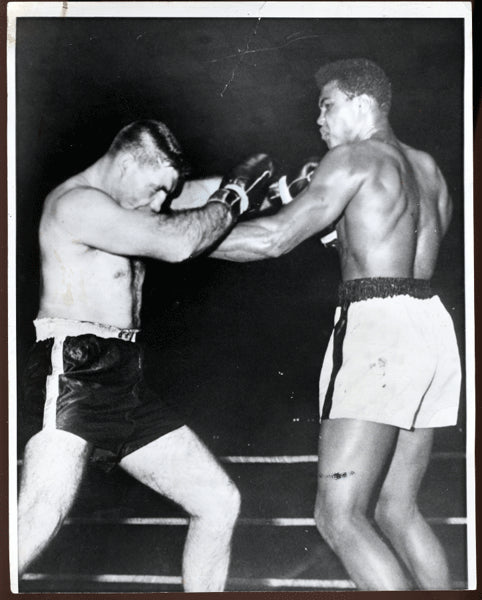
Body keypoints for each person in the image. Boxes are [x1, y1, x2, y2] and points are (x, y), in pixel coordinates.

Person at [211, 59, 461, 590]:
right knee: (398, 509)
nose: (318, 122)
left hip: (377, 330)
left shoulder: (354, 158)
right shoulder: (428, 167)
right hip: (432, 328)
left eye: (326, 106)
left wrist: (179, 241)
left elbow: (273, 239)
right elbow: (392, 246)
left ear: (362, 103)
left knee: (339, 516)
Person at [18, 119, 275, 592]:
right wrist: (238, 193)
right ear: (129, 162)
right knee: (40, 513)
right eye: (157, 189)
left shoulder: (129, 198)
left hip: (125, 377)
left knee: (217, 501)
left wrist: (272, 182)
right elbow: (179, 241)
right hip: (75, 369)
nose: (160, 203)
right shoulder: (78, 203)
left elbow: (204, 194)